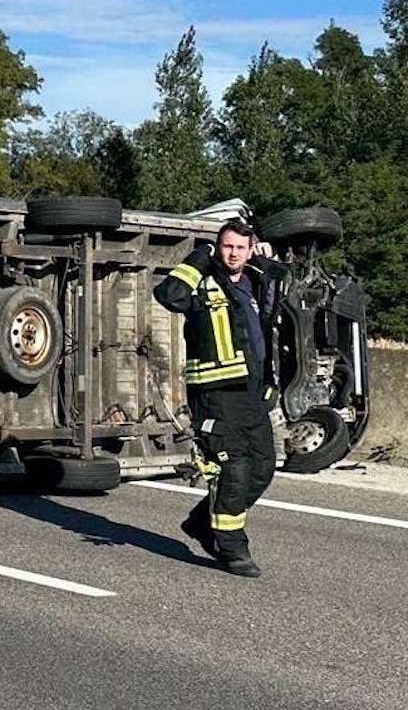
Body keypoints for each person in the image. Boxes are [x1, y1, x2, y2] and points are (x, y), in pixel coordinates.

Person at [154, 218, 286, 578]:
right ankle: (231, 548)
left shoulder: (255, 281)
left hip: (251, 394)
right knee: (235, 469)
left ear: (249, 249)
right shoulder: (202, 282)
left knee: (263, 467)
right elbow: (169, 295)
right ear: (218, 246)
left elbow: (280, 296)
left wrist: (269, 258)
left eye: (241, 248)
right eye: (227, 246)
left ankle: (202, 521)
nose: (233, 254)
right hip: (215, 395)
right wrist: (198, 259)